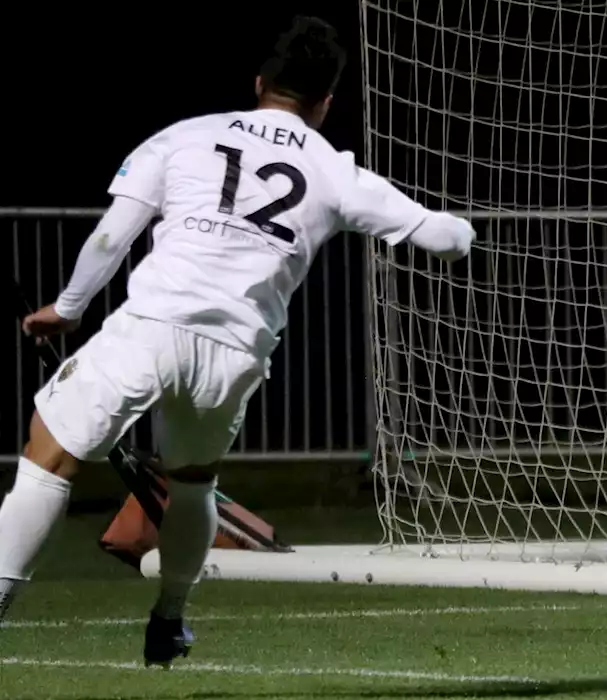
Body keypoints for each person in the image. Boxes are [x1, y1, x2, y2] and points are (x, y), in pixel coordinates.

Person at [0, 17, 474, 666]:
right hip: (234, 357)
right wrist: (468, 234)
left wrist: (69, 308)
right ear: (326, 104)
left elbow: (112, 236)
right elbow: (442, 238)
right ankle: (169, 618)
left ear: (259, 83)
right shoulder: (334, 171)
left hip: (154, 328)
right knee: (193, 484)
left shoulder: (186, 136)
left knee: (47, 457)